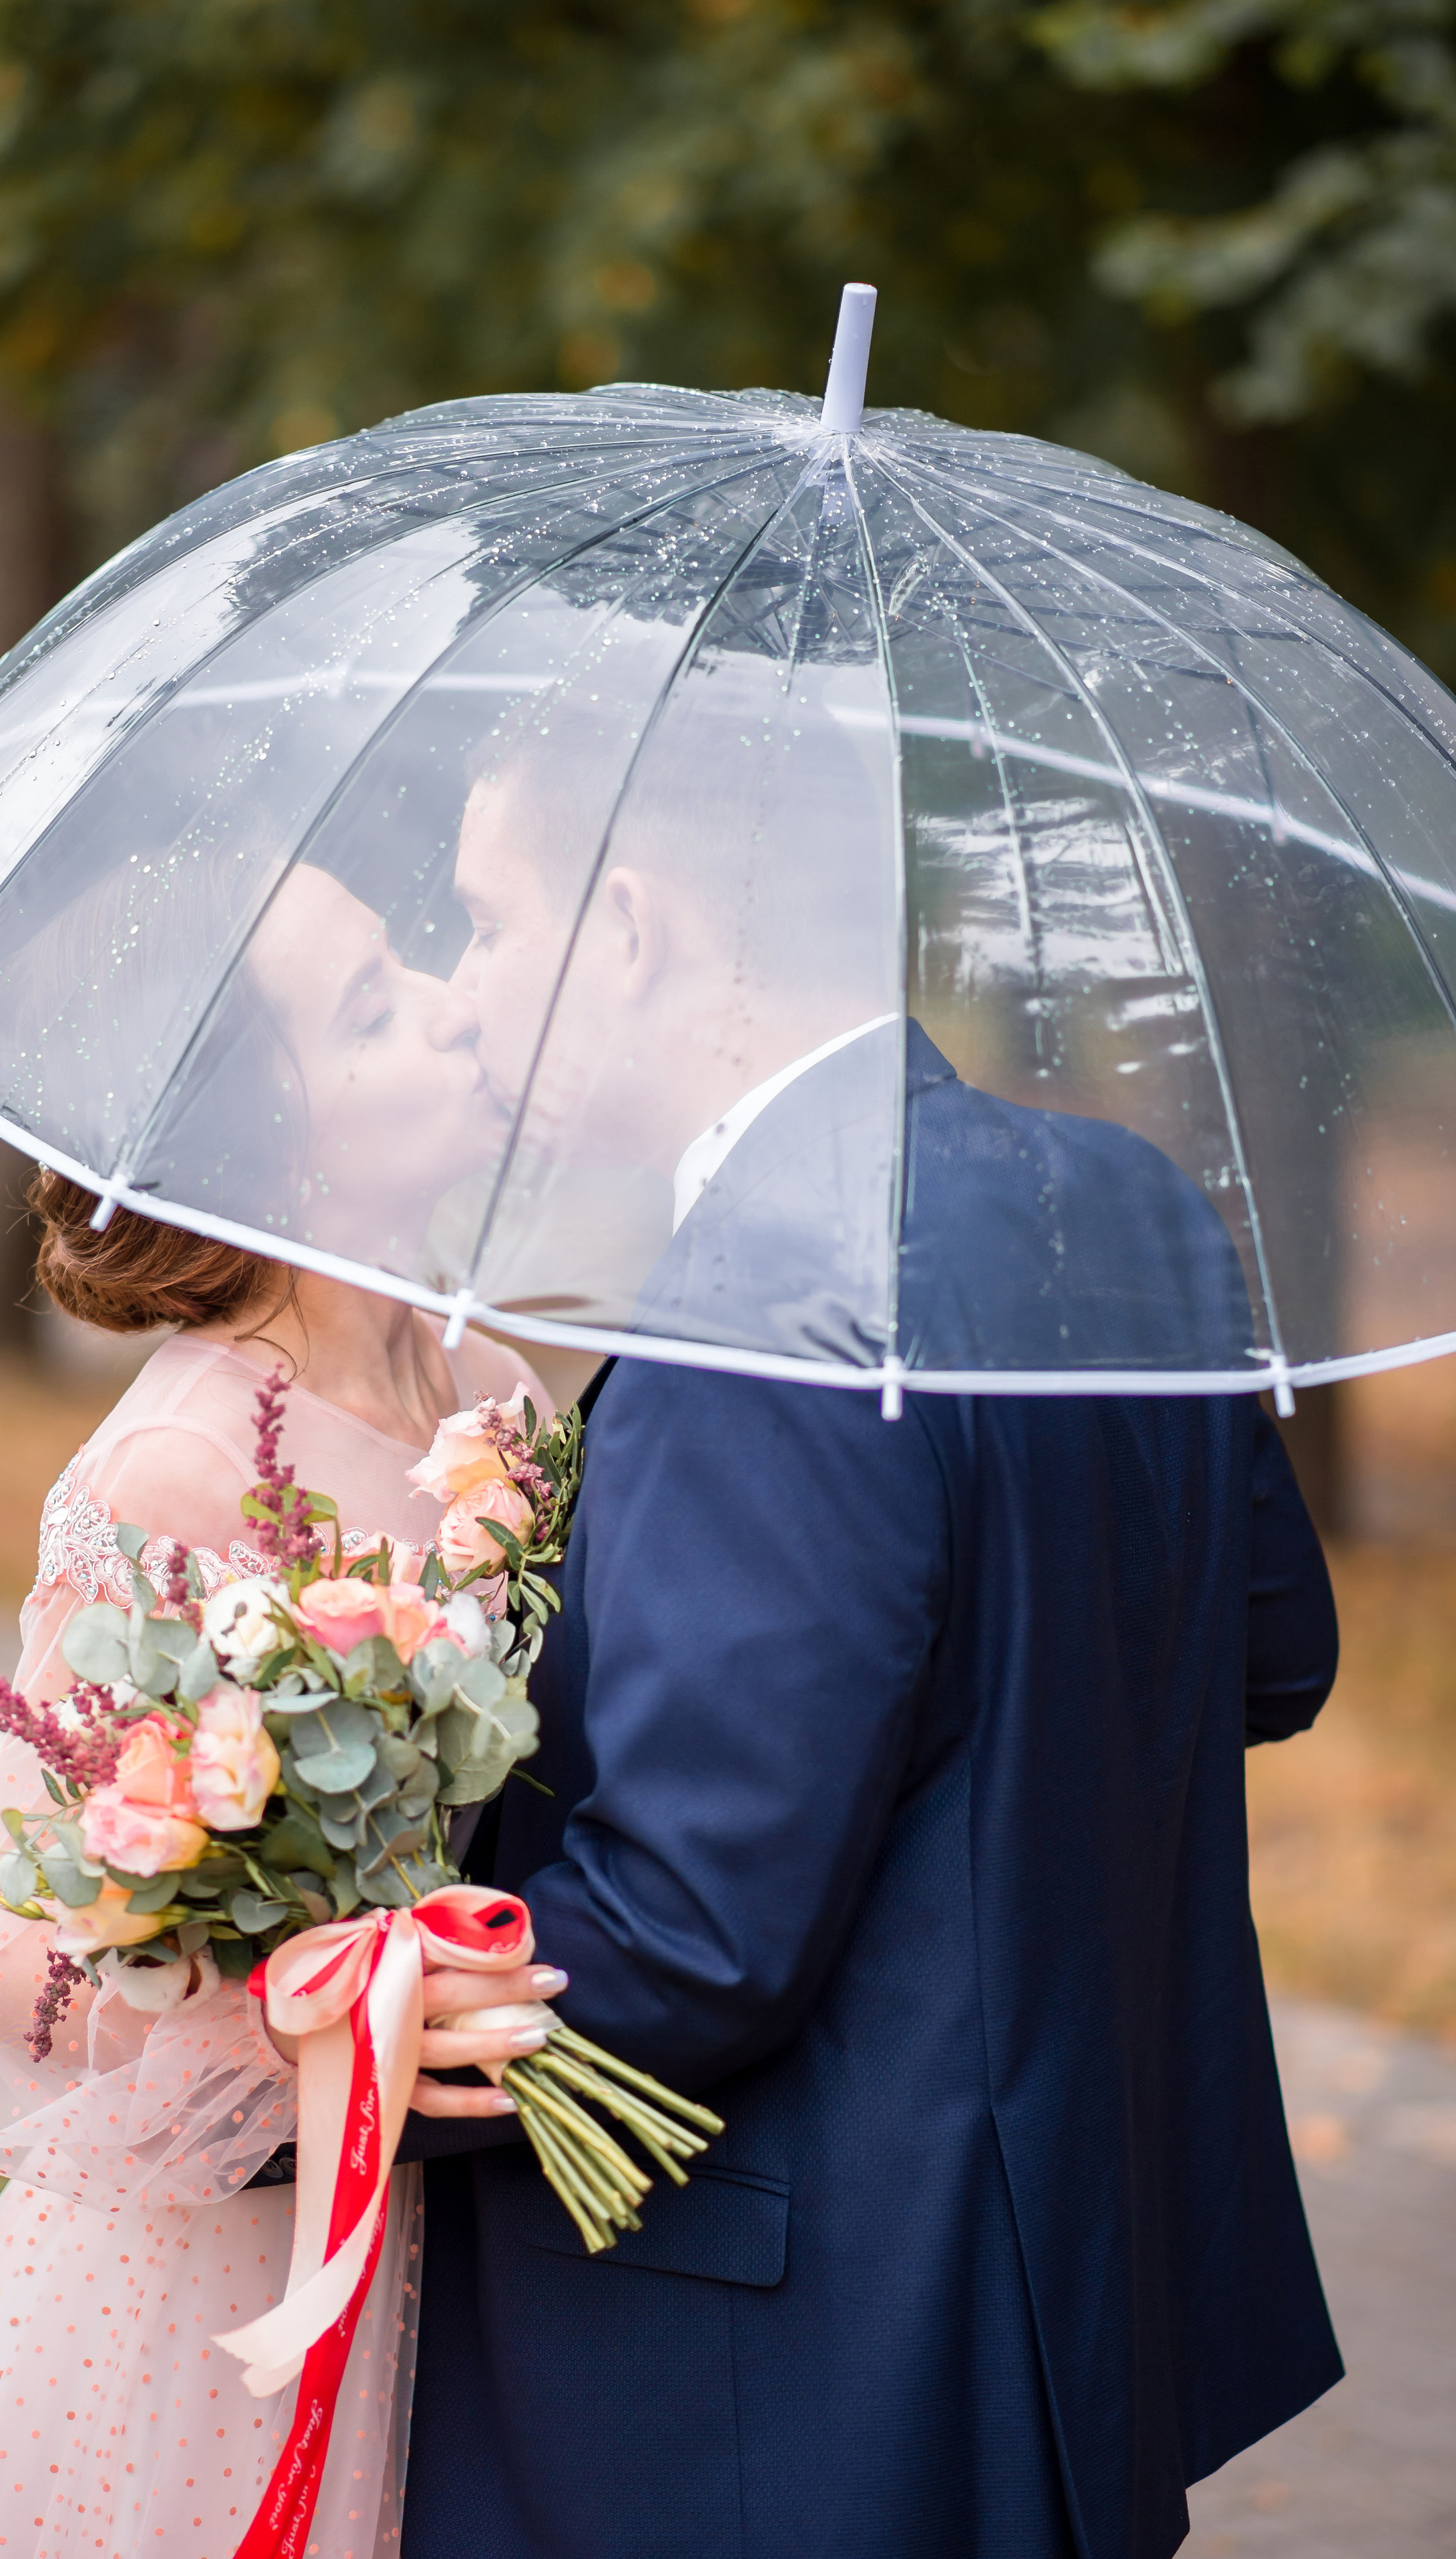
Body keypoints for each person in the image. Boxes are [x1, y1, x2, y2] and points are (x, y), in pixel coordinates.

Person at [392, 741, 1342, 2559]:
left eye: (494, 921)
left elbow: (694, 1936)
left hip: (792, 2381)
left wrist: (300, 2041)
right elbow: (1264, 1655)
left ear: (640, 929)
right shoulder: (1124, 1205)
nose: (472, 987)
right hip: (1071, 2284)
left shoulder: (768, 1309)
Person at [0, 874, 553, 2559]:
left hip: (478, 2238)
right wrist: (288, 2005)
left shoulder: (496, 1390)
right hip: (215, 2284)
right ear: (266, 1147)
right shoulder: (187, 1465)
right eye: (368, 1006)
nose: (444, 999)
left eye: (410, 957)